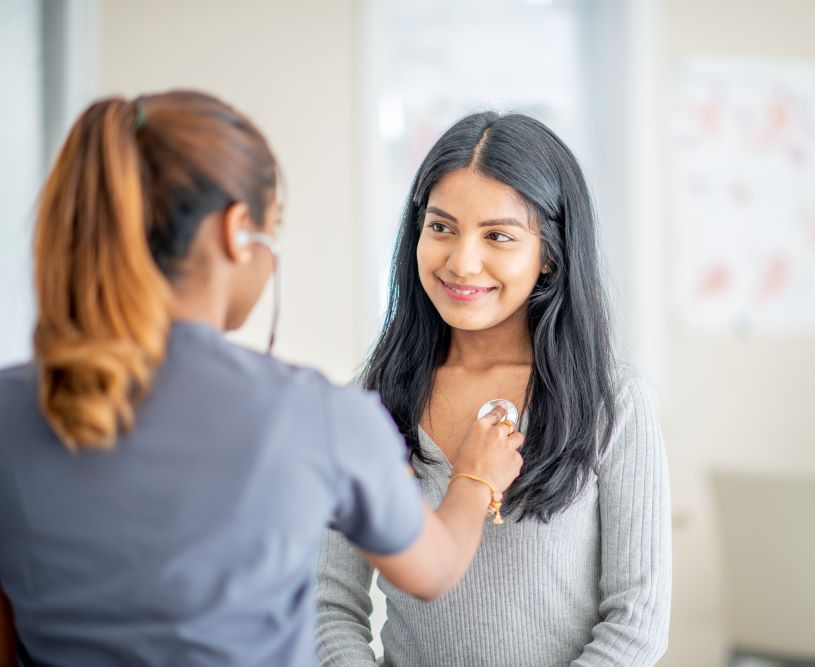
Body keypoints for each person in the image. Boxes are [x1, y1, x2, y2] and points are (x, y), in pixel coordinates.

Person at [0, 91, 522, 666]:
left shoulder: (9, 408)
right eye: (273, 229)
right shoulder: (315, 415)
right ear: (237, 231)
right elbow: (436, 567)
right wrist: (475, 475)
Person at [316, 112, 671, 666]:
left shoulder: (614, 403)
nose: (462, 261)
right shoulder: (370, 404)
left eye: (498, 236)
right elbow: (328, 605)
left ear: (549, 253)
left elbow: (636, 622)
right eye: (441, 227)